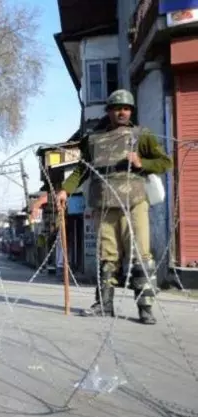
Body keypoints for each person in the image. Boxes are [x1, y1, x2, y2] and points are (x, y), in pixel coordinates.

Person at [56, 89, 172, 325]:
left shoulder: (141, 135)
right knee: (107, 255)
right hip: (104, 203)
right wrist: (65, 190)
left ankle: (145, 308)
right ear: (109, 111)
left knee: (140, 254)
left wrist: (142, 162)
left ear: (131, 111)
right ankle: (104, 304)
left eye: (126, 108)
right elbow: (83, 169)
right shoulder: (93, 139)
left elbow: (165, 162)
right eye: (117, 108)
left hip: (134, 202)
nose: (122, 112)